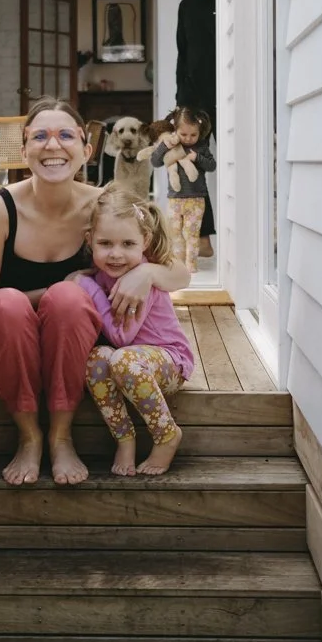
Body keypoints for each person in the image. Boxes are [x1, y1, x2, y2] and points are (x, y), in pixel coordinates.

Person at [0, 97, 190, 488]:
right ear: (25, 147)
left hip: (67, 356)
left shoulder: (104, 207)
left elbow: (180, 275)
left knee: (69, 301)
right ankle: (28, 435)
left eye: (66, 135)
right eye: (40, 136)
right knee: (19, 301)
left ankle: (60, 435)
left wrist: (146, 271)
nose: (53, 146)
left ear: (86, 148)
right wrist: (57, 290)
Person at [72, 183, 194, 477]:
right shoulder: (102, 276)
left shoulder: (142, 283)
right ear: (90, 241)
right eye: (105, 244)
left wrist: (85, 285)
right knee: (97, 358)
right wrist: (90, 278)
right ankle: (124, 438)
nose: (116, 254)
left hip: (168, 361)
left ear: (145, 241)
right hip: (130, 363)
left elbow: (121, 336)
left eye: (128, 244)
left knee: (120, 356)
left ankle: (166, 435)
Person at [176, 0, 217, 257]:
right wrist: (182, 106)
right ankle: (203, 239)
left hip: (227, 98)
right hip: (194, 103)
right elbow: (183, 56)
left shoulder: (230, 1)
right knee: (191, 170)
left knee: (232, 164)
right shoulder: (186, 7)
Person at [150, 107, 216, 275]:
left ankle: (191, 266)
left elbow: (212, 165)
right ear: (175, 130)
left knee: (191, 234)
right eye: (183, 134)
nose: (188, 139)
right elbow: (155, 162)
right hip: (175, 199)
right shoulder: (171, 146)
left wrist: (197, 158)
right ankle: (179, 266)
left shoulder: (200, 147)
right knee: (175, 234)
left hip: (196, 200)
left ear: (199, 132)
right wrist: (164, 145)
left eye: (193, 135)